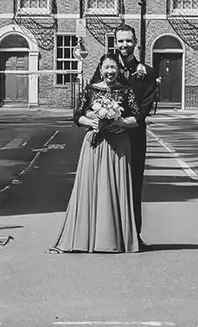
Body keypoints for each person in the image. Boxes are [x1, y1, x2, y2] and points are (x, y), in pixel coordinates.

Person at [50, 57, 142, 254]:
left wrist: (122, 122)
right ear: (101, 69)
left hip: (119, 145)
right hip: (95, 144)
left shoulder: (126, 91)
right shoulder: (91, 90)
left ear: (118, 71)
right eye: (107, 67)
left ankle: (115, 238)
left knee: (115, 187)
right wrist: (89, 122)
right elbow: (78, 115)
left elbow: (137, 118)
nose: (110, 71)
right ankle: (86, 237)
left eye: (114, 67)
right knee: (91, 186)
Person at [107, 29, 159, 240]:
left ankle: (133, 236)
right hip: (110, 137)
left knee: (134, 184)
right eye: (120, 41)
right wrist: (106, 121)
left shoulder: (146, 72)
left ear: (135, 42)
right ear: (115, 43)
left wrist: (124, 123)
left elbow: (144, 108)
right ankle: (110, 234)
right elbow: (92, 95)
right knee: (109, 184)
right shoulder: (107, 67)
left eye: (128, 40)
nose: (124, 44)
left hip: (135, 135)